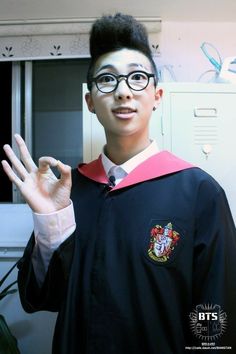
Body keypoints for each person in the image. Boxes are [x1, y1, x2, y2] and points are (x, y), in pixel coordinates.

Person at [1, 13, 236, 354]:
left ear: (157, 95)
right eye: (108, 80)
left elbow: (214, 318)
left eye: (137, 78)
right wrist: (51, 225)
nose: (124, 92)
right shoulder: (68, 193)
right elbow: (40, 299)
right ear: (90, 101)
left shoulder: (200, 193)